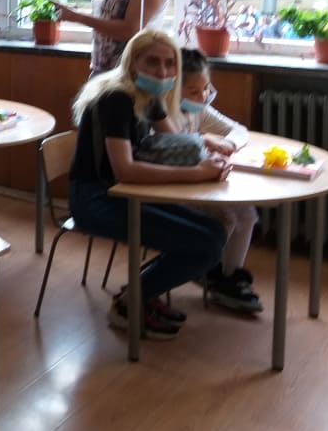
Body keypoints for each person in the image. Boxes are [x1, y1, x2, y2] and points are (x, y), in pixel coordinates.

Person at [68, 29, 229, 339]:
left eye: (170, 63)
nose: (163, 71)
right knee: (205, 245)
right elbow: (125, 170)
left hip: (128, 193)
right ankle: (130, 303)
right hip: (96, 199)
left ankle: (140, 292)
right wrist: (199, 173)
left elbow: (174, 139)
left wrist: (204, 143)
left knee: (215, 232)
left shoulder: (147, 95)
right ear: (132, 63)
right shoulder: (116, 98)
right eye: (152, 62)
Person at [178, 48, 262, 312]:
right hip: (175, 189)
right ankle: (209, 270)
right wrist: (203, 143)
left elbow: (238, 130)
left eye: (206, 89)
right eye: (194, 91)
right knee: (226, 217)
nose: (203, 97)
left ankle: (229, 275)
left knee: (247, 213)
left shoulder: (199, 110)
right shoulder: (164, 116)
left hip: (200, 185)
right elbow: (168, 147)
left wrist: (227, 144)